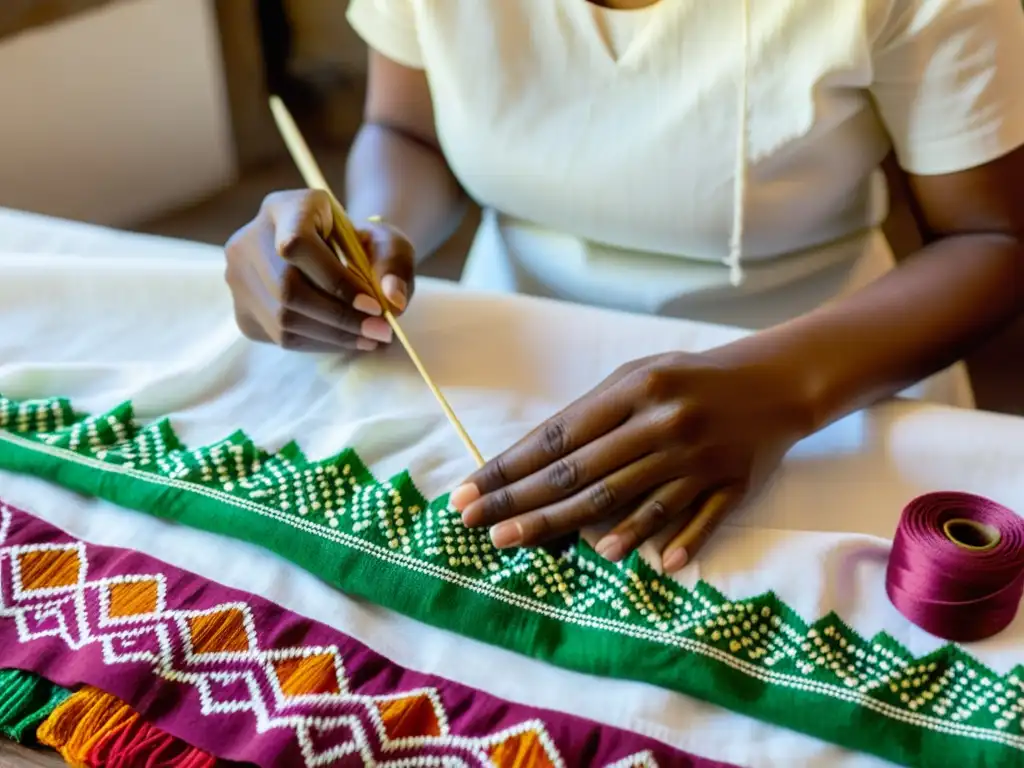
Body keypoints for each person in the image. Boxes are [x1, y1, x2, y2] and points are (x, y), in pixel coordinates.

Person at [224, 0, 1024, 572]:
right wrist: (364, 240)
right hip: (510, 357)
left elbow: (993, 239)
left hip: (831, 376)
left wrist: (787, 387)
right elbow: (407, 130)